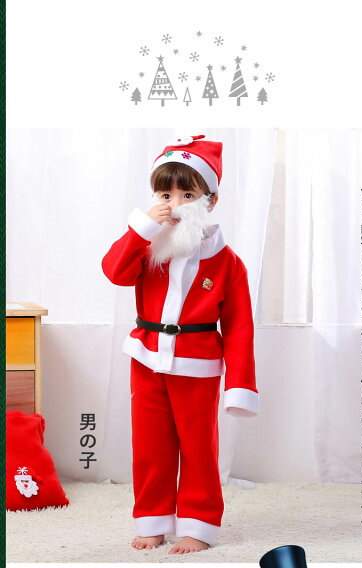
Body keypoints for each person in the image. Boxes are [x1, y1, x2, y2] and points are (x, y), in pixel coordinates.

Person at [101, 134, 260, 554]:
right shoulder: (147, 246)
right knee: (149, 445)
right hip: (146, 358)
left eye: (187, 194)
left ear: (210, 200)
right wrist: (141, 228)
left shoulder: (228, 262)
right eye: (165, 194)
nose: (174, 204)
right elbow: (114, 272)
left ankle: (198, 524)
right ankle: (152, 520)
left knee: (198, 447)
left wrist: (240, 385)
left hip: (197, 364)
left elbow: (240, 328)